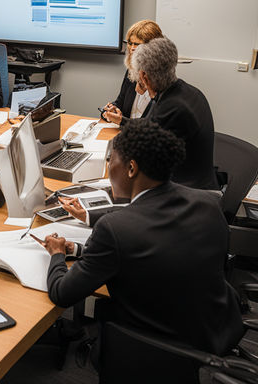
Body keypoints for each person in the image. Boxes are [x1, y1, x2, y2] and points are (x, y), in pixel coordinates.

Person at [40, 119, 243, 357]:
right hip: (213, 328)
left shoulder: (114, 228)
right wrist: (78, 249)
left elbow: (62, 293)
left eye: (110, 160)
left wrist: (57, 253)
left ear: (131, 168)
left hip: (156, 349)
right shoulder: (208, 202)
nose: (108, 166)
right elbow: (157, 251)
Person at [131, 36, 219, 190]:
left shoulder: (171, 108)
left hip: (188, 193)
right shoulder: (189, 92)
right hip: (201, 182)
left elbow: (143, 159)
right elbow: (147, 126)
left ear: (144, 76)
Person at [101, 20, 163, 125]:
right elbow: (120, 102)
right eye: (130, 43)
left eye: (138, 44)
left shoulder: (163, 79)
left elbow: (153, 125)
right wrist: (111, 110)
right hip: (125, 132)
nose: (132, 49)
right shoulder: (132, 72)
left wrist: (122, 121)